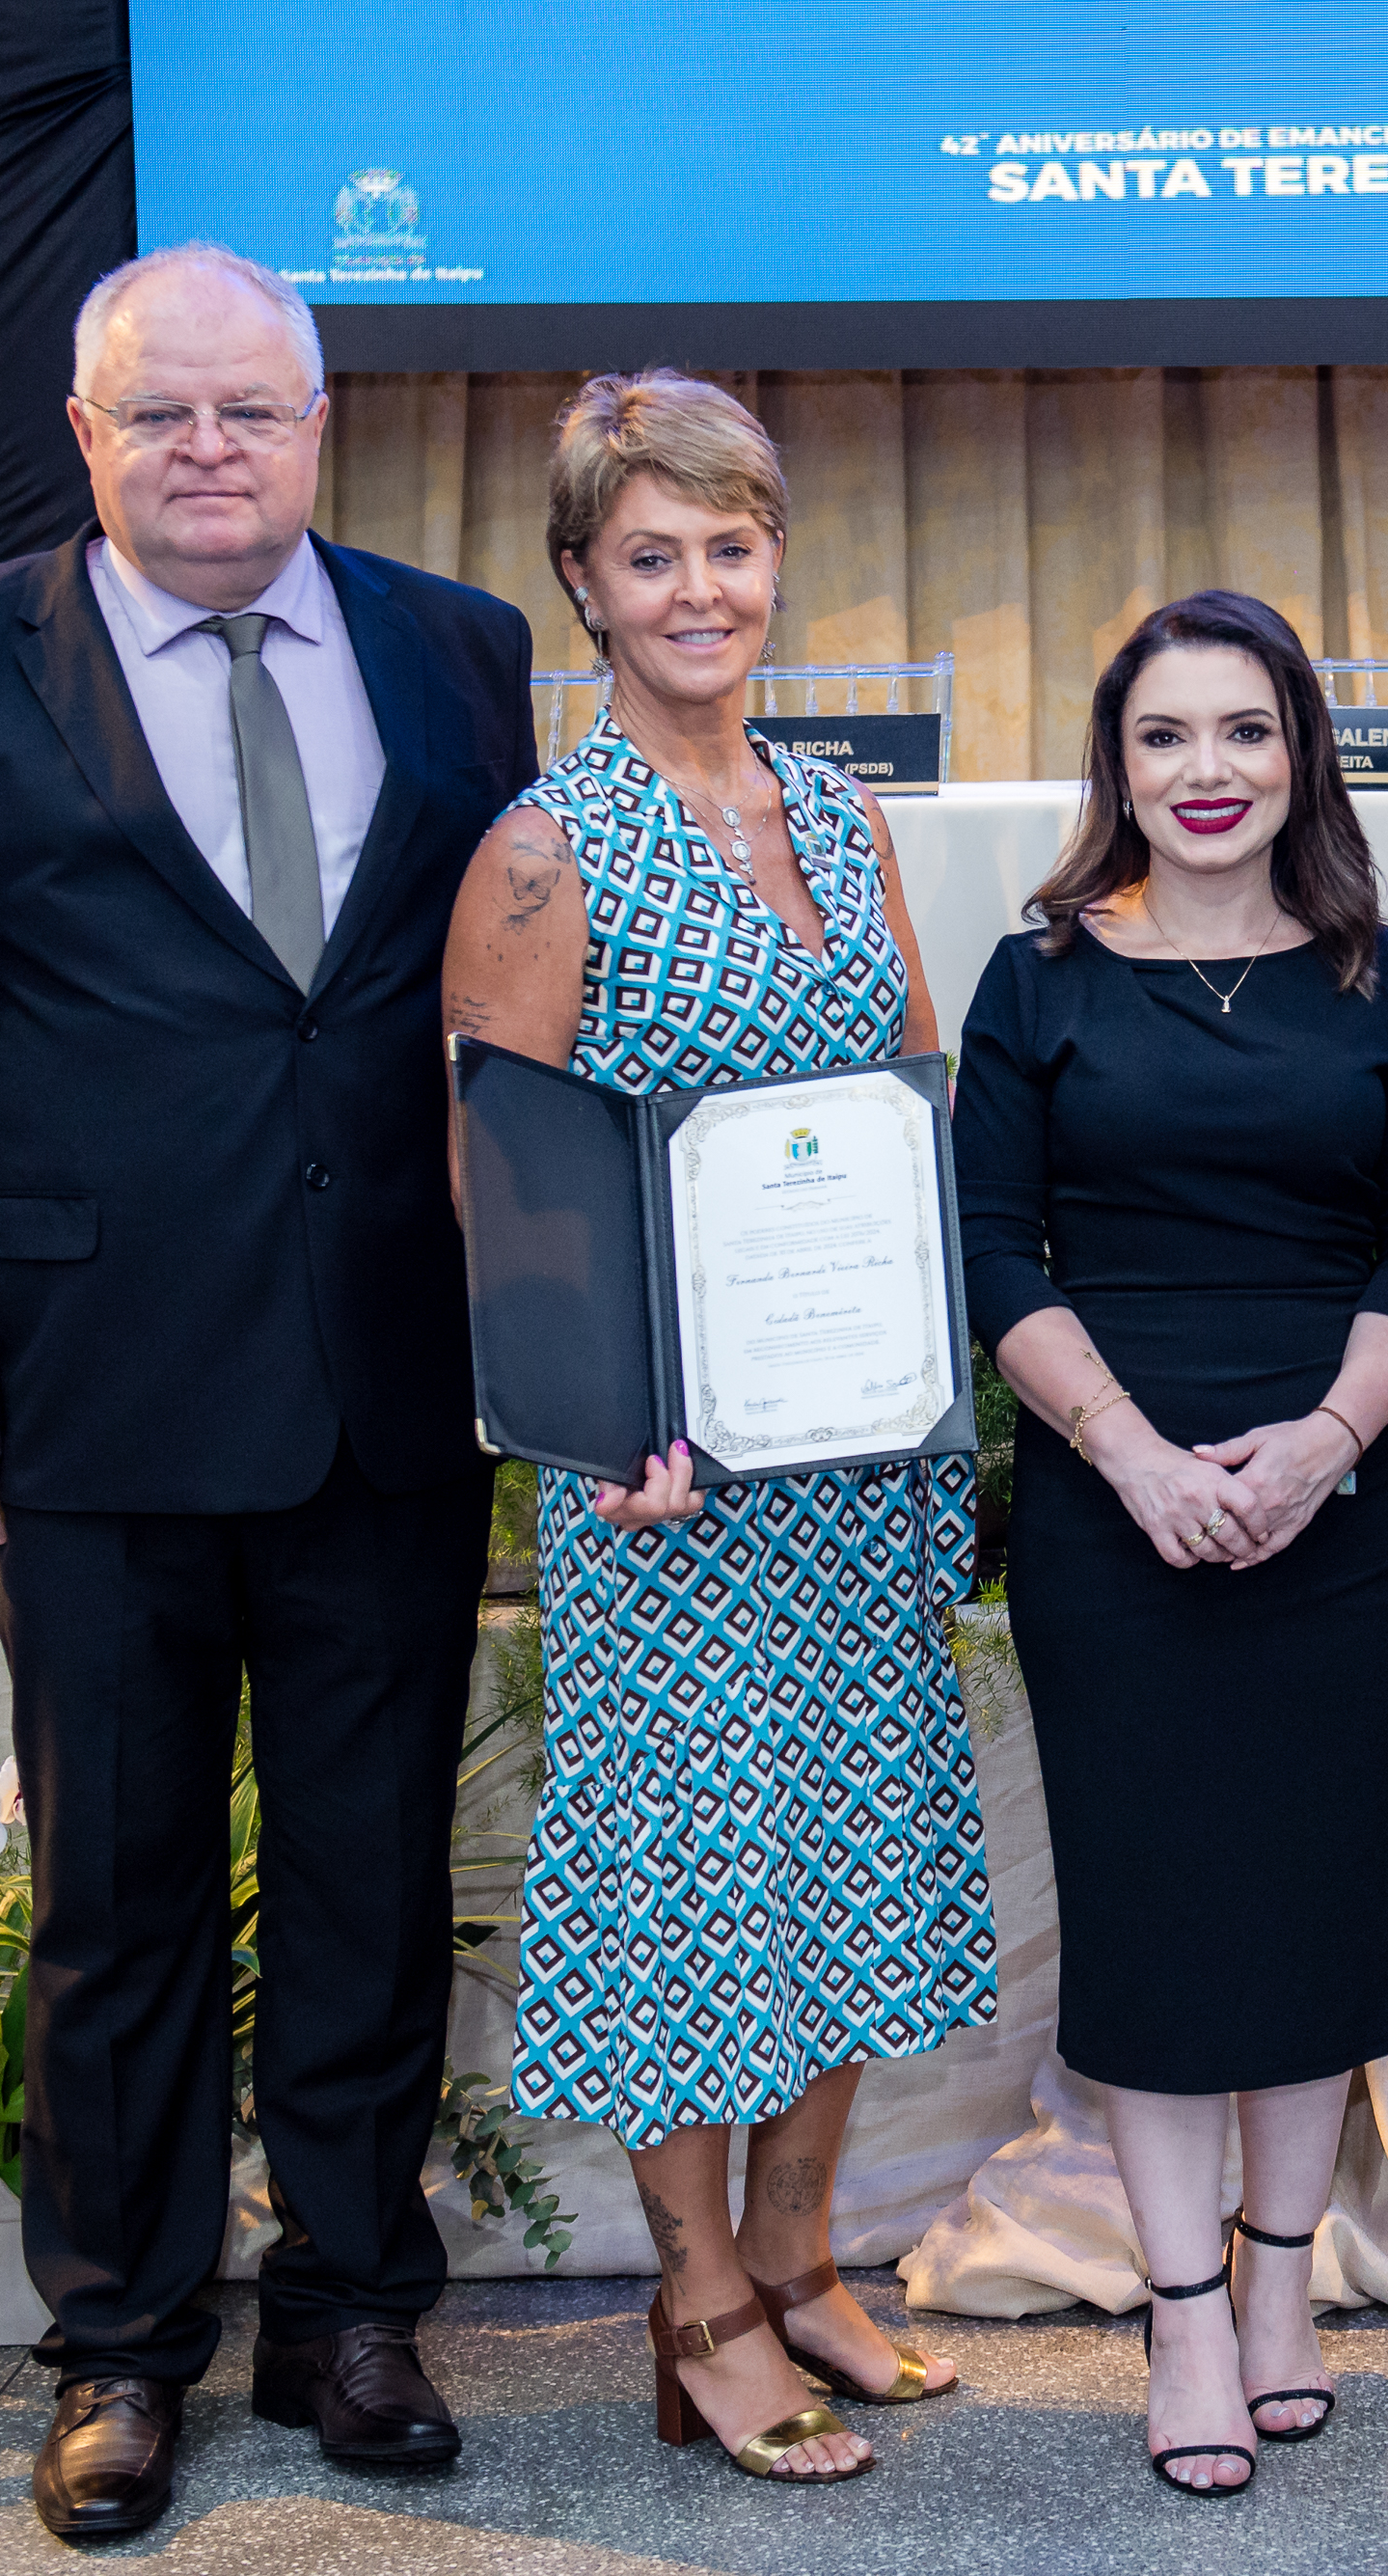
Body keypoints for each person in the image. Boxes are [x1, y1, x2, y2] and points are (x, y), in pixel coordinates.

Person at [0, 243, 539, 2541]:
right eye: (162, 417)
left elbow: (491, 1018)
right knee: (116, 1903)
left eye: (252, 412)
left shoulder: (456, 649)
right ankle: (117, 2344)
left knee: (364, 1876)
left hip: (392, 1384)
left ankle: (347, 2305)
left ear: (321, 428)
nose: (210, 450)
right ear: (89, 435)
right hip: (89, 1397)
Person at [439, 370, 999, 2490]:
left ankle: (802, 2250)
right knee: (692, 1886)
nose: (698, 588)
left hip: (856, 1457)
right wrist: (599, 1429)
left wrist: (937, 1388)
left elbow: (908, 1107)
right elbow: (501, 1183)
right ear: (583, 581)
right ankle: (693, 2305)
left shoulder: (841, 816)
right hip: (664, 1484)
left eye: (730, 545)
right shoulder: (543, 845)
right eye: (650, 553)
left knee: (853, 1860)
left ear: (775, 561)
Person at [954, 589, 1388, 2498]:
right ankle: (1178, 2312)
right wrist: (1136, 1462)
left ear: (1298, 758)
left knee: (1309, 1917)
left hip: (1338, 1516)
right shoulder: (1040, 982)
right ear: (1116, 764)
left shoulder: (1379, 979)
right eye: (1164, 736)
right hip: (1114, 1522)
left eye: (1243, 733)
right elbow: (995, 1249)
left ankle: (1279, 2285)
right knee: (1163, 1927)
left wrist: (1324, 1441)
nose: (1204, 772)